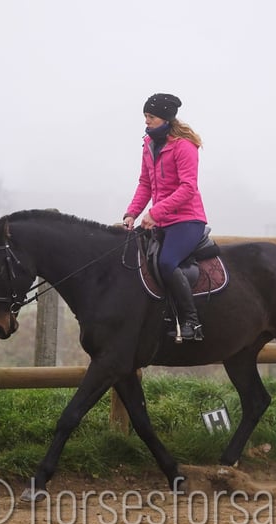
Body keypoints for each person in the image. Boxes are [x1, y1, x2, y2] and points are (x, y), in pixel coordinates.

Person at [122, 93, 208, 341]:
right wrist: (132, 213)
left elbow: (188, 188)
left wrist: (155, 212)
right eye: (145, 117)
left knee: (166, 262)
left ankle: (192, 322)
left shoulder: (184, 146)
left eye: (151, 117)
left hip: (188, 220)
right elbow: (145, 184)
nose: (146, 122)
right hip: (160, 219)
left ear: (166, 118)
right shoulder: (148, 144)